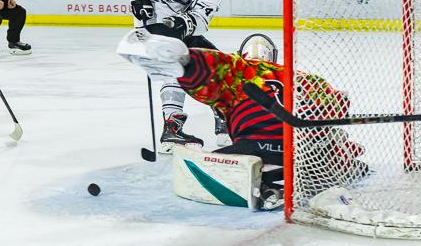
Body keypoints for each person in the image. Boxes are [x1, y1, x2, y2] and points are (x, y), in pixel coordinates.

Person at [118, 31, 367, 209]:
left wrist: (186, 61)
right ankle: (304, 173)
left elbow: (208, 71)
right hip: (301, 149)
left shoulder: (238, 68)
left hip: (254, 144)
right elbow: (338, 105)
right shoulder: (303, 76)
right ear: (274, 54)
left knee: (206, 161)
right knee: (332, 152)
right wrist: (343, 151)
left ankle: (265, 182)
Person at [121, 0, 230, 151]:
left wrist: (183, 23)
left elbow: (201, 19)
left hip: (178, 30)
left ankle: (223, 119)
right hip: (149, 26)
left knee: (218, 63)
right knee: (175, 63)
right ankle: (172, 128)